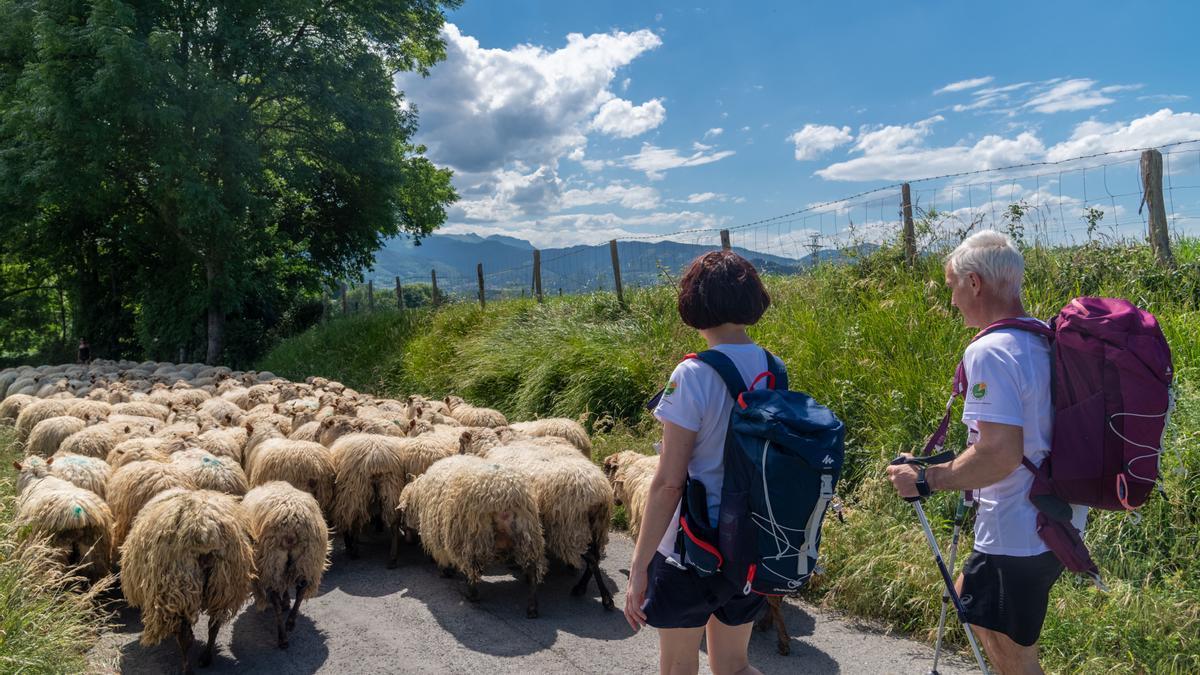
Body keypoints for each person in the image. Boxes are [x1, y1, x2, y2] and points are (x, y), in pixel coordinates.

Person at [887, 230, 1087, 674]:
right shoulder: (1042, 339)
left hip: (1017, 527)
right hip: (1057, 517)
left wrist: (926, 480)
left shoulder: (991, 351)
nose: (952, 300)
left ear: (974, 283)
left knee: (1015, 658)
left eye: (952, 287)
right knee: (970, 599)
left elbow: (999, 454)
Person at [624, 250, 778, 675]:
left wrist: (638, 566)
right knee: (734, 666)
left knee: (678, 668)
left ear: (695, 302)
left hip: (693, 549)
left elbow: (669, 483)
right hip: (750, 542)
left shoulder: (690, 375)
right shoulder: (773, 367)